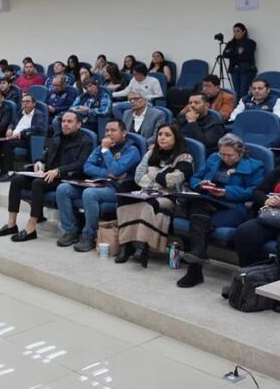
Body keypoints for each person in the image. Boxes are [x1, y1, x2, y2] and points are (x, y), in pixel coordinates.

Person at [175, 134, 264, 288]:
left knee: (199, 220)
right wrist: (202, 184)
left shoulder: (255, 166)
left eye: (230, 155)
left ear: (240, 153)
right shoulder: (213, 159)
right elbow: (195, 178)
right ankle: (196, 265)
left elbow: (255, 192)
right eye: (222, 154)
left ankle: (194, 269)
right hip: (209, 201)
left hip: (234, 207)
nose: (225, 158)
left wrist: (227, 191)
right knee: (199, 211)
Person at [0, 111, 93, 242]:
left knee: (37, 184)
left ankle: (31, 227)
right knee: (17, 180)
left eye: (70, 122)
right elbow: (45, 155)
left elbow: (81, 164)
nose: (65, 124)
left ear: (79, 124)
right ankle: (11, 224)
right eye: (63, 121)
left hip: (66, 178)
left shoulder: (85, 141)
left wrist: (58, 171)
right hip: (48, 175)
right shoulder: (57, 136)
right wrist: (39, 162)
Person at [55, 119, 141, 251]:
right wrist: (108, 173)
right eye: (106, 130)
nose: (108, 133)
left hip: (116, 189)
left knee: (89, 194)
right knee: (63, 189)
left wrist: (106, 151)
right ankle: (70, 230)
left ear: (123, 133)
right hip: (97, 183)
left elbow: (117, 170)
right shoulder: (101, 146)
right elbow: (87, 167)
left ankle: (89, 235)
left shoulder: (131, 150)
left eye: (113, 130)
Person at [114, 124, 193, 266]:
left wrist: (152, 174)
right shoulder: (151, 153)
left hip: (170, 196)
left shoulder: (185, 157)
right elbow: (138, 176)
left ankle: (143, 245)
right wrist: (159, 179)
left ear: (176, 138)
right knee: (124, 197)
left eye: (167, 135)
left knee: (149, 204)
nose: (162, 138)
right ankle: (126, 245)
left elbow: (174, 180)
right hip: (147, 191)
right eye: (160, 134)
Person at [0, 94, 48, 182]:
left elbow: (38, 128)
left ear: (34, 104)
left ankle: (10, 172)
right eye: (23, 102)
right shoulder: (20, 112)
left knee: (7, 145)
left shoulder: (39, 114)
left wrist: (22, 133)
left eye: (27, 101)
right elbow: (13, 122)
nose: (25, 104)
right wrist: (10, 128)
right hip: (14, 136)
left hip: (26, 138)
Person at [233, 163, 280, 267]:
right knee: (245, 232)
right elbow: (258, 191)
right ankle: (249, 276)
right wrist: (266, 200)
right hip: (273, 216)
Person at [223, 22, 256, 98]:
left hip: (246, 69)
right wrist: (237, 52)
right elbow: (225, 54)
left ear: (244, 32)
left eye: (238, 31)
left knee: (243, 92)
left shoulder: (250, 43)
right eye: (234, 31)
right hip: (234, 69)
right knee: (236, 92)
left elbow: (247, 56)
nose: (235, 33)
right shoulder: (231, 43)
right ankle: (237, 108)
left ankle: (244, 109)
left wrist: (233, 53)